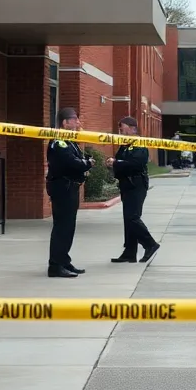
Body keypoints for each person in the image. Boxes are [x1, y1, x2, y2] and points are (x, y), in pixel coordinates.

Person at [45, 106, 93, 278]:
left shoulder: (70, 140)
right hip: (62, 188)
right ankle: (56, 266)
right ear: (65, 122)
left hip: (70, 187)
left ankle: (64, 261)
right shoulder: (59, 142)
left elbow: (81, 157)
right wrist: (86, 164)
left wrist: (85, 161)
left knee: (68, 227)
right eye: (74, 119)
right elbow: (73, 162)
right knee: (62, 227)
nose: (78, 122)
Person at [106, 116, 161, 264]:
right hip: (126, 184)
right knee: (128, 218)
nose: (120, 130)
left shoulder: (139, 143)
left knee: (132, 217)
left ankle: (150, 244)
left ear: (132, 128)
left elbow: (137, 163)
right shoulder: (125, 144)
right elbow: (120, 160)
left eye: (122, 127)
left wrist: (117, 162)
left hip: (137, 184)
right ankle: (130, 251)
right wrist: (112, 163)